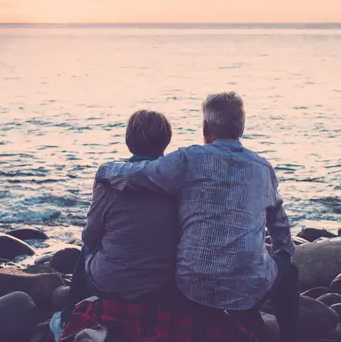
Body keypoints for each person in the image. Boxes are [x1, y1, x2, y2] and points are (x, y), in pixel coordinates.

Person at [95, 92, 300, 341]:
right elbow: (279, 225)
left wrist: (106, 169)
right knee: (289, 271)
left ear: (204, 128)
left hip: (192, 285)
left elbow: (139, 174)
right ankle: (290, 335)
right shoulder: (263, 168)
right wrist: (283, 251)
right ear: (241, 128)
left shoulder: (187, 159)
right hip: (249, 286)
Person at [63, 109, 179, 309]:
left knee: (87, 248)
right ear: (166, 140)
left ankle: (68, 316)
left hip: (112, 284)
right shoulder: (177, 182)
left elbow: (90, 236)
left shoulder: (110, 182)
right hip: (162, 283)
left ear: (129, 141)